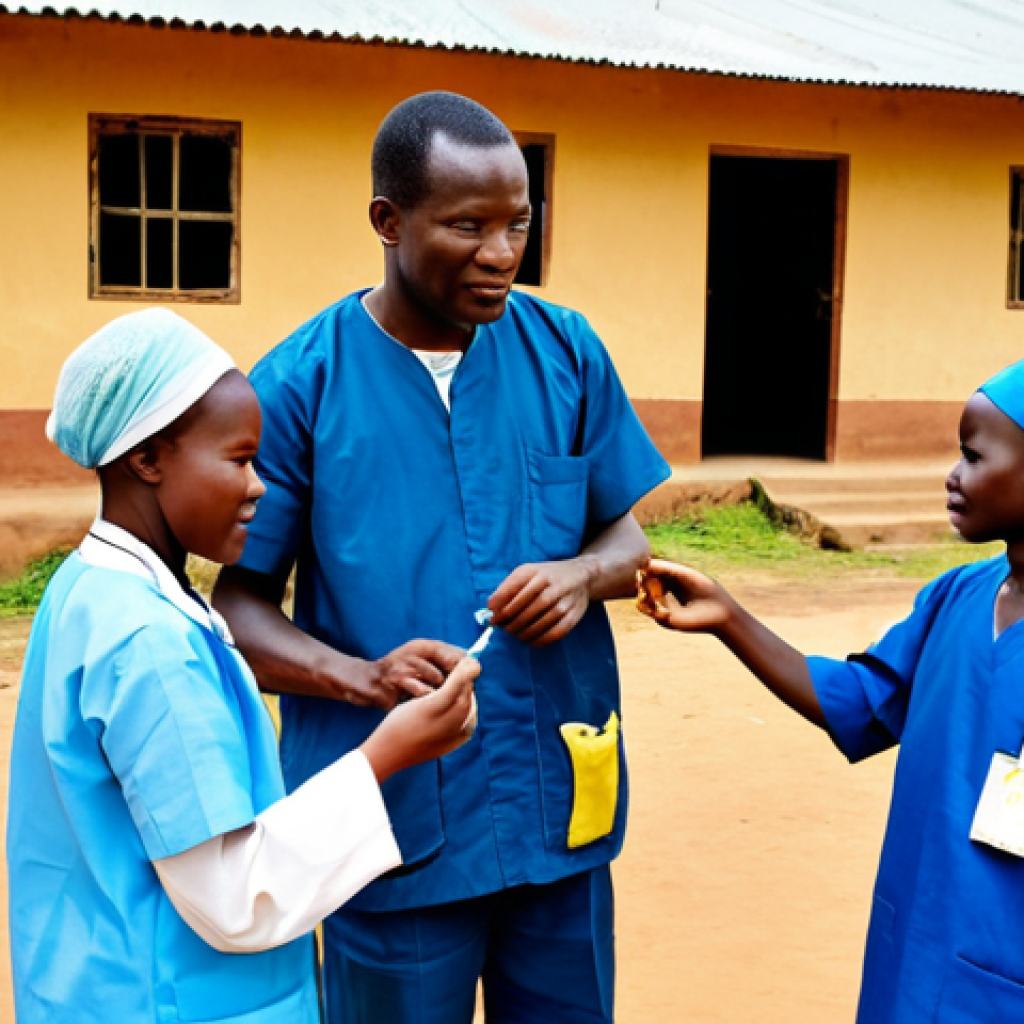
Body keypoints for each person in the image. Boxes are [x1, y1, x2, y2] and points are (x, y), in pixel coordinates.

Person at [213, 91, 671, 1024]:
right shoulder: (301, 385)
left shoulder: (566, 352)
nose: (501, 253)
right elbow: (241, 606)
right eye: (468, 226)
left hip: (557, 816)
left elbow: (628, 543)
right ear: (387, 222)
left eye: (519, 224)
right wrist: (356, 676)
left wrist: (581, 575)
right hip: (391, 832)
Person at [7, 307, 478, 1024]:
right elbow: (235, 899)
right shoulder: (148, 643)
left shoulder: (89, 590)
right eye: (238, 458)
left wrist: (376, 687)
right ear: (148, 458)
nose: (259, 486)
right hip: (171, 1001)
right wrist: (388, 754)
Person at [637, 359, 1024, 1023]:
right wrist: (730, 618)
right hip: (914, 952)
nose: (952, 475)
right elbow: (858, 701)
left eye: (972, 455)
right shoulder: (956, 598)